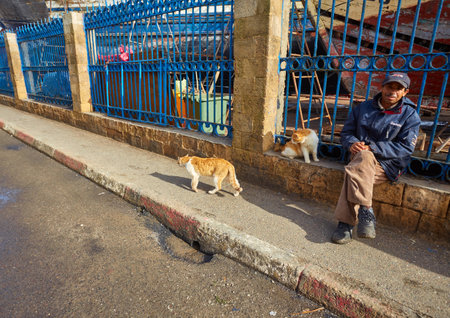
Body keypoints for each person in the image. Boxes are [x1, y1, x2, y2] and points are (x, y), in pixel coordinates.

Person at [331, 72, 421, 244]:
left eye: (398, 88)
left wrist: (372, 148)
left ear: (405, 92)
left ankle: (345, 224)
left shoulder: (410, 115)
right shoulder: (363, 108)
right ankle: (367, 209)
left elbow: (405, 147)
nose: (392, 91)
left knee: (354, 172)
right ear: (382, 87)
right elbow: (346, 133)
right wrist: (352, 143)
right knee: (361, 160)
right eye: (389, 87)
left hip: (387, 164)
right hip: (359, 157)